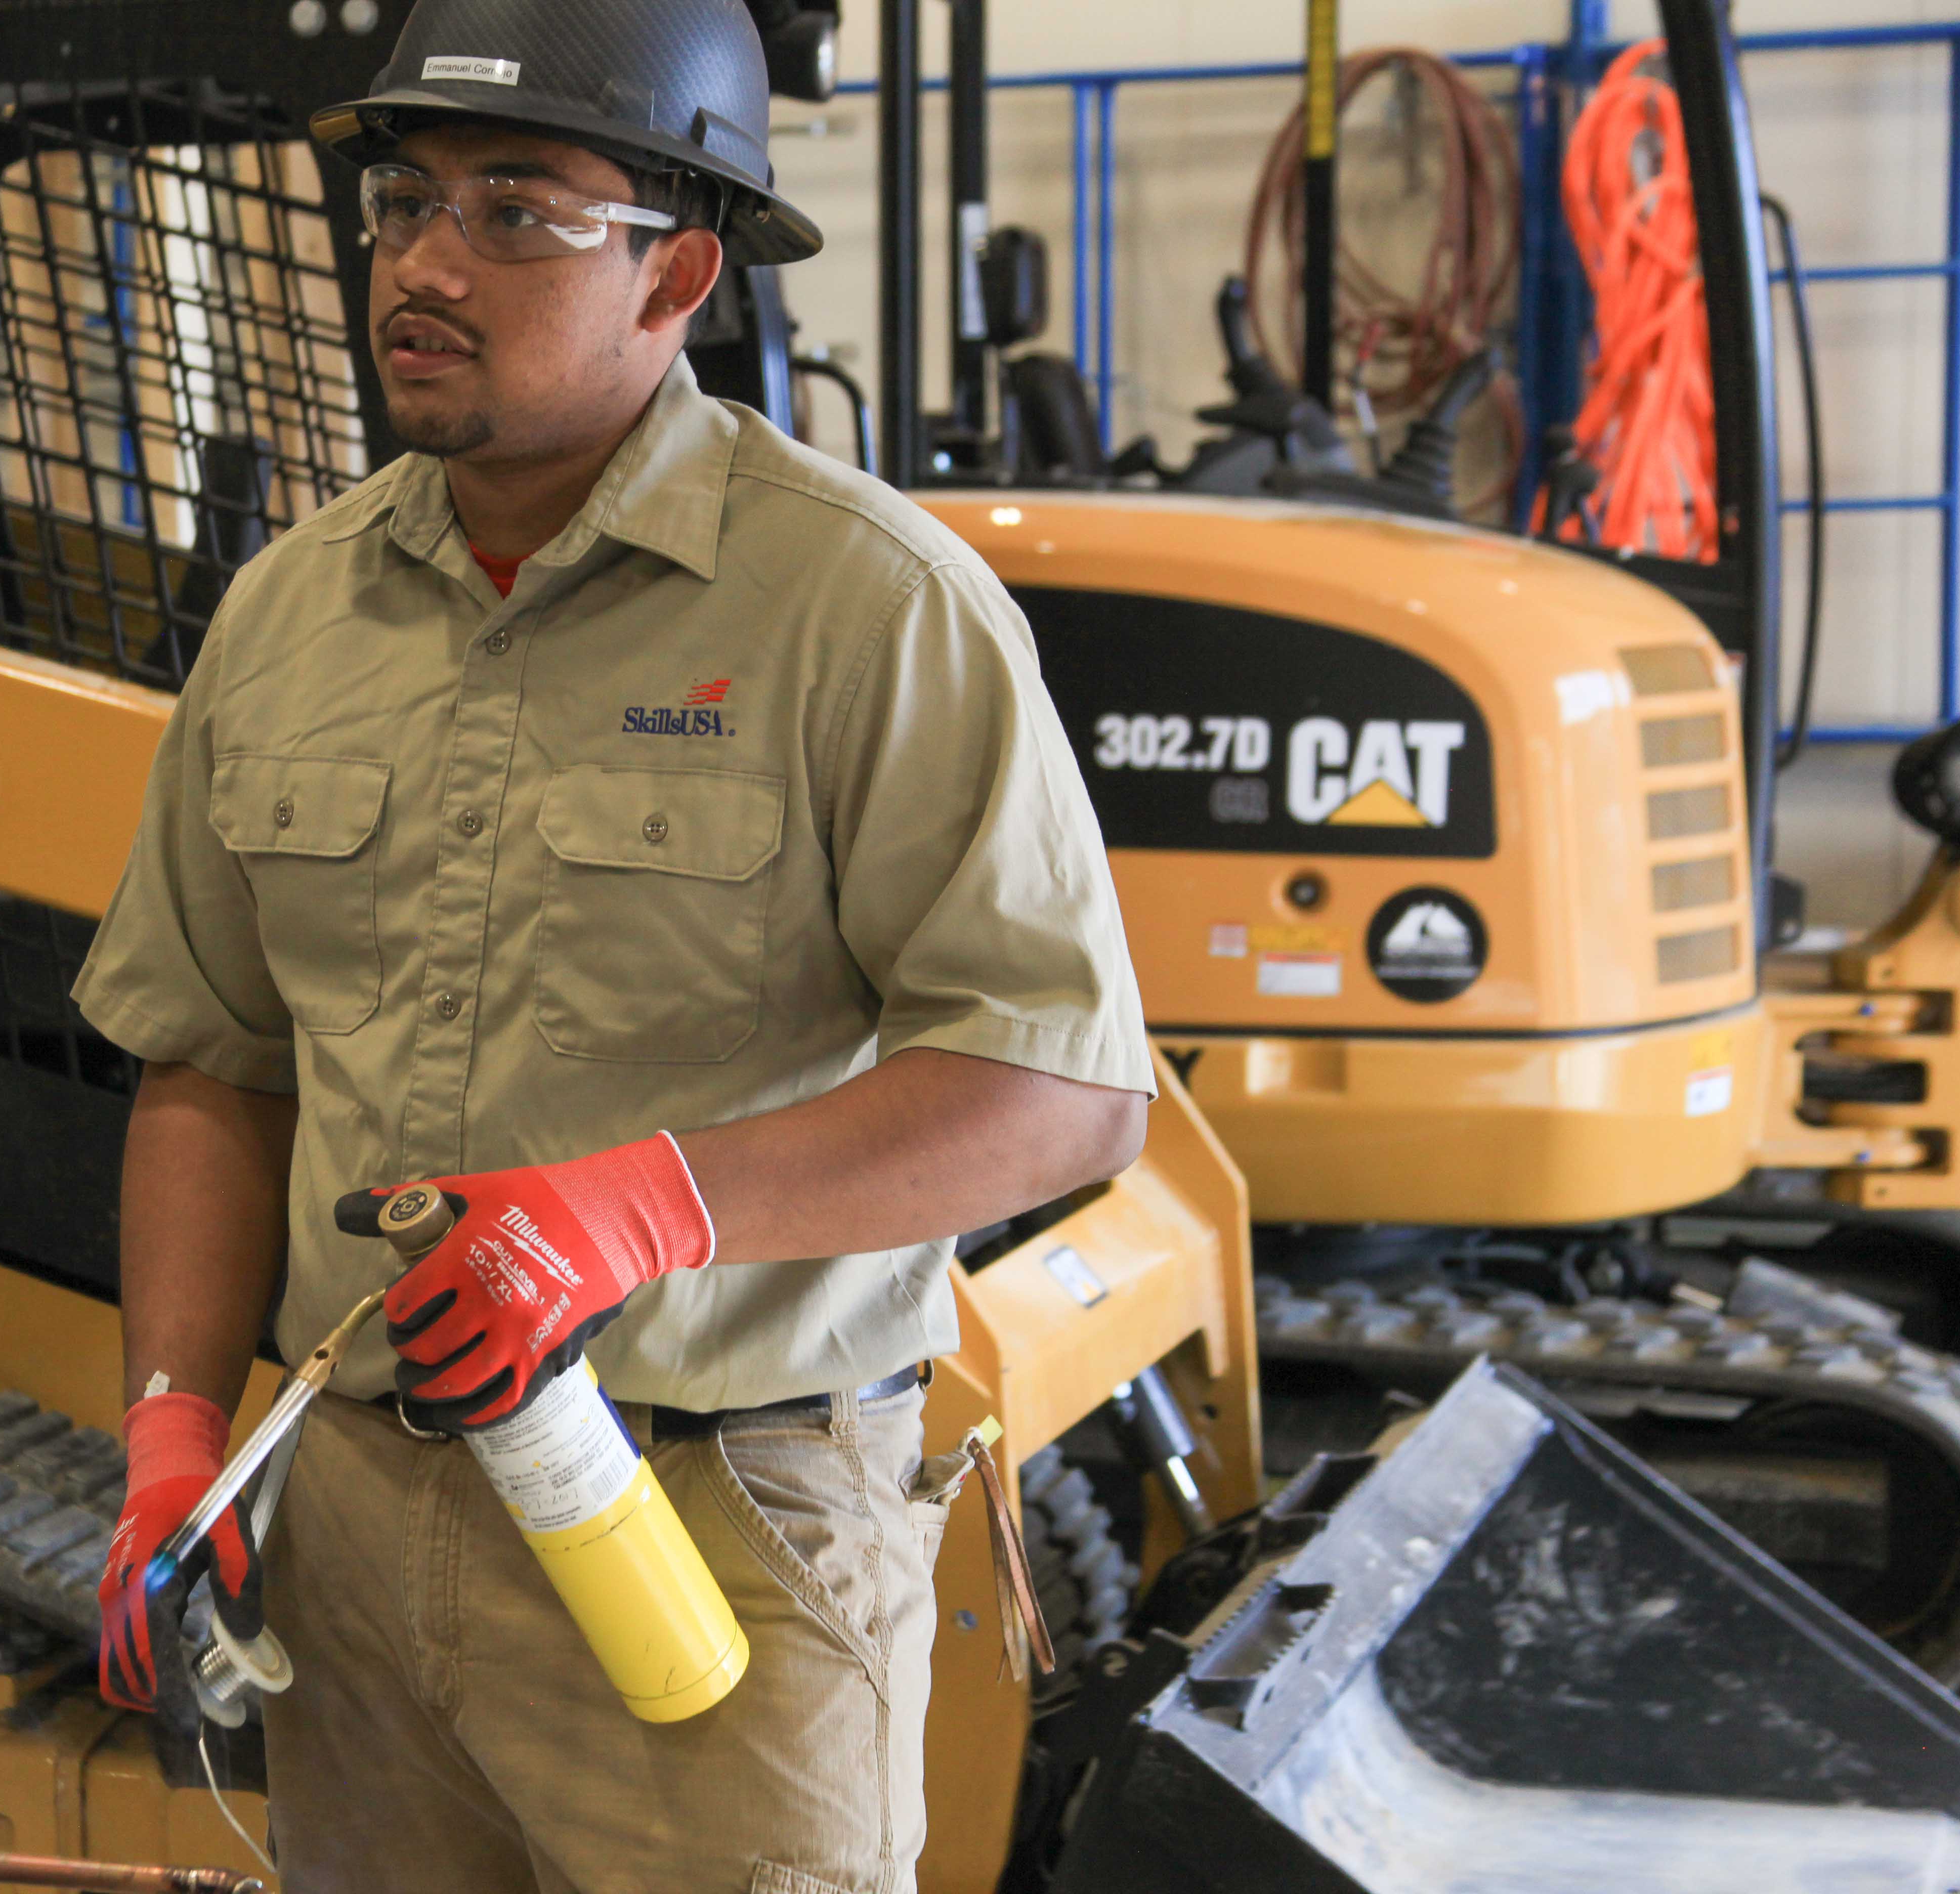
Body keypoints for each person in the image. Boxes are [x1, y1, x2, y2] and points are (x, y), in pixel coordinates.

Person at [71, 0, 1157, 1885]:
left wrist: (641, 1210)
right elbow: (214, 1063)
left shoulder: (869, 610)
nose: (420, 259)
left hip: (718, 1528)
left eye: (515, 210)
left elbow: (1061, 1091)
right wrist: (177, 1423)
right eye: (404, 198)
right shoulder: (285, 618)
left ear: (680, 270)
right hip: (360, 1530)